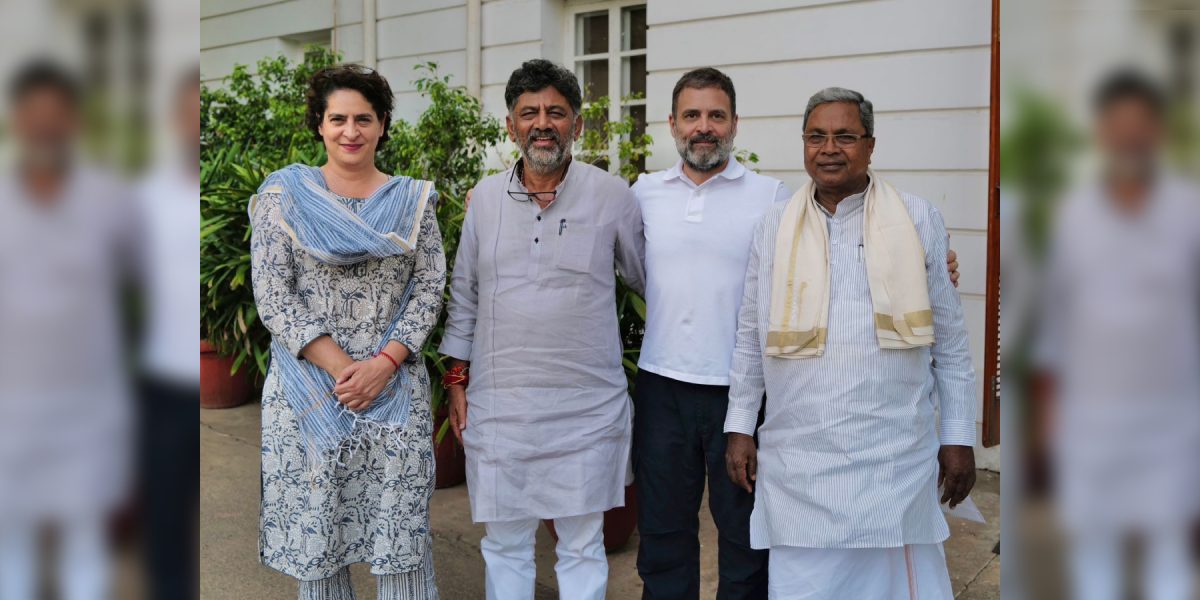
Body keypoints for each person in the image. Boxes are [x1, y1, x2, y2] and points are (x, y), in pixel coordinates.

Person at [632, 69, 961, 599]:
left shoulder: (776, 200)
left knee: (744, 546)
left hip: (759, 401)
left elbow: (946, 336)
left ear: (735, 123)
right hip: (674, 393)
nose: (704, 127)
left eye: (716, 115)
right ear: (673, 123)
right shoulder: (646, 194)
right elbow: (630, 268)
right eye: (692, 115)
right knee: (665, 535)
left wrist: (930, 263)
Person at [723, 87, 976, 599]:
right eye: (816, 136)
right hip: (799, 460)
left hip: (893, 456)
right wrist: (739, 426)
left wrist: (958, 435)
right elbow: (750, 336)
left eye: (845, 136)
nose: (829, 149)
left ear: (871, 145)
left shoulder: (917, 218)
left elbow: (950, 343)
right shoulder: (773, 227)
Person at [438, 59, 645, 600]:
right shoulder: (484, 199)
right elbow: (464, 295)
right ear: (511, 126)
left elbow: (647, 281)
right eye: (529, 112)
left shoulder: (612, 195)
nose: (543, 123)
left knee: (582, 545)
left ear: (578, 124)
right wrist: (456, 381)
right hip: (502, 409)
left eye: (556, 111)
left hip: (586, 408)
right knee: (506, 545)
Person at [250, 64, 445, 600]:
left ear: (383, 124)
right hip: (309, 392)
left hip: (394, 389)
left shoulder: (413, 203)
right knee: (321, 538)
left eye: (364, 118)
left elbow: (429, 287)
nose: (350, 131)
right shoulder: (285, 197)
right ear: (320, 124)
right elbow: (273, 294)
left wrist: (382, 366)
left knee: (400, 533)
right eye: (338, 119)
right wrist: (345, 372)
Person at [1034, 69, 1200, 600]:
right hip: (1090, 416)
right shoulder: (1074, 215)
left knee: (1169, 552)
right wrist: (1047, 417)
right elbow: (1055, 321)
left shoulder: (1190, 212)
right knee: (1093, 551)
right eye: (1118, 125)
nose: (1130, 137)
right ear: (1102, 132)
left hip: (1173, 417)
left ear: (1158, 132)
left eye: (1140, 125)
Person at [0, 59, 139, 600]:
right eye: (33, 116)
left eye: (55, 116)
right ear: (17, 121)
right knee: (11, 534)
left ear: (74, 122)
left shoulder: (109, 199)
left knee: (85, 534)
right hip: (11, 401)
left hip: (89, 401)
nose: (45, 127)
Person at [136, 65, 201, 600]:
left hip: (204, 365)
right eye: (186, 111)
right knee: (164, 512)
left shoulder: (233, 191)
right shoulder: (147, 191)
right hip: (162, 377)